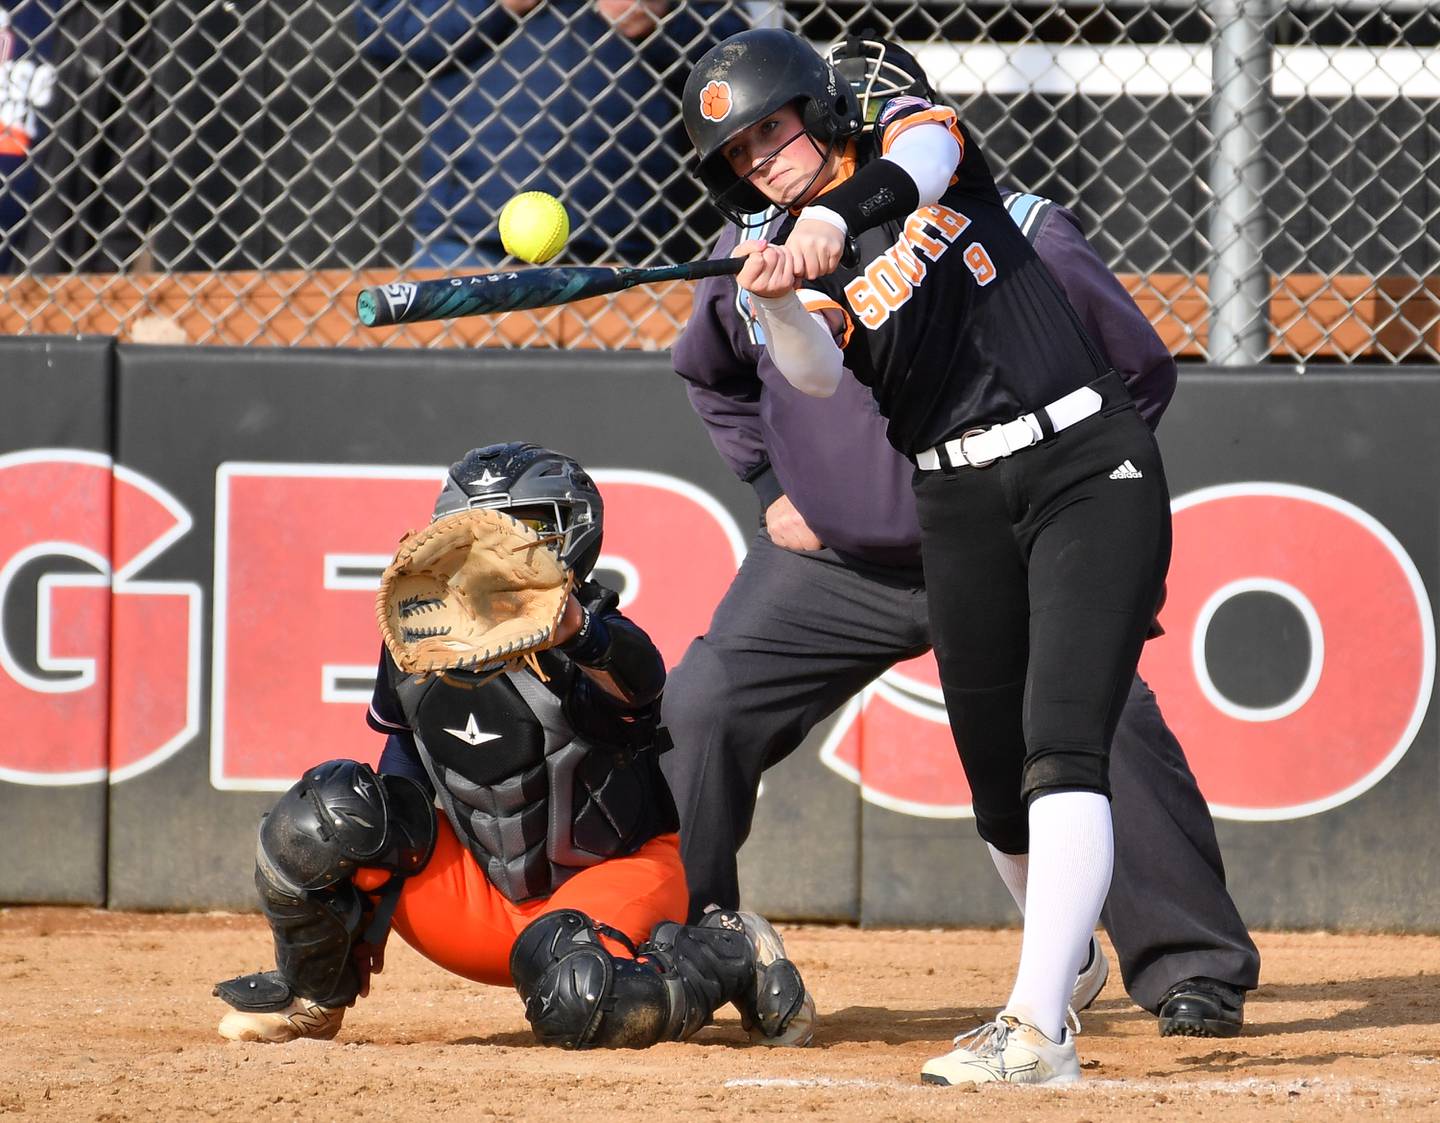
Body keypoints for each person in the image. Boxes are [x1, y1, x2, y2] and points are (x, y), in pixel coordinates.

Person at [677, 28, 1188, 1086]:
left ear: (815, 113)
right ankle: (1068, 962)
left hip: (1084, 462)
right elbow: (815, 376)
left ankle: (1038, 1027)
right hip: (954, 492)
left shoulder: (914, 146)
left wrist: (825, 221)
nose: (760, 158)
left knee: (1063, 743)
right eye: (739, 154)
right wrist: (774, 296)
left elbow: (924, 161)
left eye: (769, 130)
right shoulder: (782, 246)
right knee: (997, 787)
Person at [213, 443, 815, 1051]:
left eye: (525, 528)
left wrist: (578, 630)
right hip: (479, 904)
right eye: (486, 529)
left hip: (609, 882)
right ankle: (312, 993)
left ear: (571, 533)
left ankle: (729, 952)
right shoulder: (419, 636)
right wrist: (367, 900)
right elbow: (404, 761)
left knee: (580, 1001)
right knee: (325, 813)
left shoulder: (596, 632)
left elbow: (641, 683)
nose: (505, 548)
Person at [355, 1, 745, 269]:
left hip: (629, 236)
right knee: (451, 386)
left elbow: (738, 58)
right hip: (469, 230)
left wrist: (664, 19)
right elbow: (382, 26)